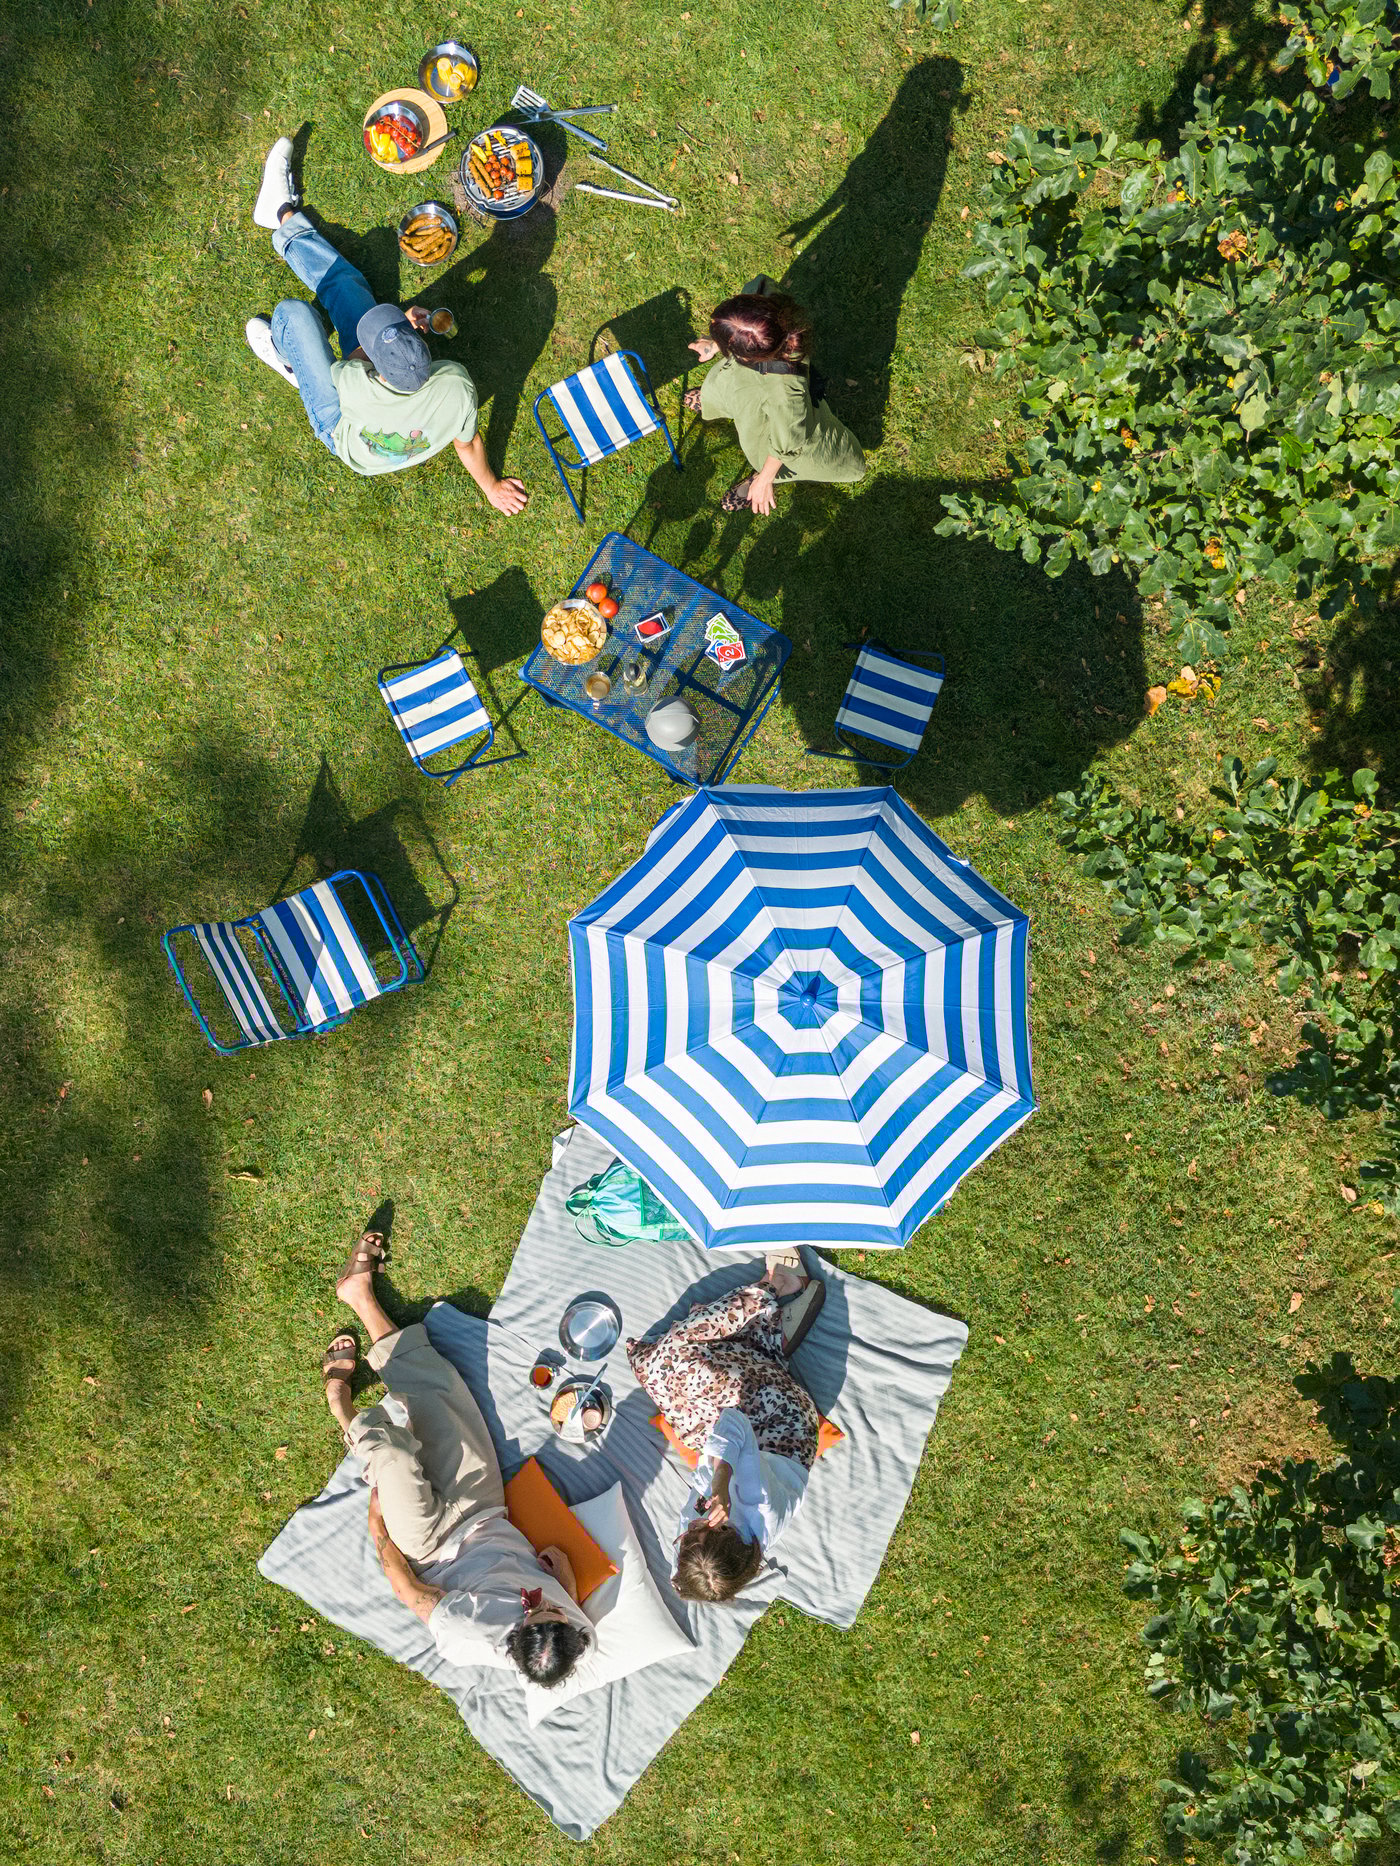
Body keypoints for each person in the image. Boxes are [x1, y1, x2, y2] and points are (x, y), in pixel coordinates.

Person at [323, 1230, 591, 1686]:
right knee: (443, 1393)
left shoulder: (471, 1634)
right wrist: (563, 1574)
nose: (546, 1606)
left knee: (391, 1455)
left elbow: (408, 1590)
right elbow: (567, 1596)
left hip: (428, 1545)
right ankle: (359, 1294)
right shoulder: (577, 1636)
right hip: (484, 1509)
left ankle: (338, 1401)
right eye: (556, 1612)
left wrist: (377, 1527)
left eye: (537, 1614)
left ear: (515, 1637)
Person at [244, 138, 527, 513]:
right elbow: (468, 444)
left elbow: (356, 359)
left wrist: (386, 331)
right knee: (347, 286)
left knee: (296, 316)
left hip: (341, 425)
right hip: (375, 398)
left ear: (374, 368)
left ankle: (292, 363)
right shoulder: (456, 385)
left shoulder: (356, 385)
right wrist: (490, 488)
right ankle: (280, 215)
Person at [626, 1250, 826, 1603]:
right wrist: (720, 1480)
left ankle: (765, 1340)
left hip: (717, 1441)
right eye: (699, 1530)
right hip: (779, 1425)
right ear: (729, 1529)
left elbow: (688, 1573)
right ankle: (773, 1288)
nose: (689, 1527)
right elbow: (735, 1424)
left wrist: (686, 1569)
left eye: (686, 1538)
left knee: (656, 1376)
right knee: (671, 1356)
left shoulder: (699, 1559)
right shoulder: (758, 1502)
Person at [685, 283, 865, 514]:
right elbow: (747, 329)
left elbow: (788, 441)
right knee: (728, 388)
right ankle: (716, 401)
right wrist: (716, 343)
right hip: (751, 372)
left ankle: (758, 478)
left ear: (748, 355)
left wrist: (764, 479)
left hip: (781, 432)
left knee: (761, 441)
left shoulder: (785, 394)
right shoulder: (771, 315)